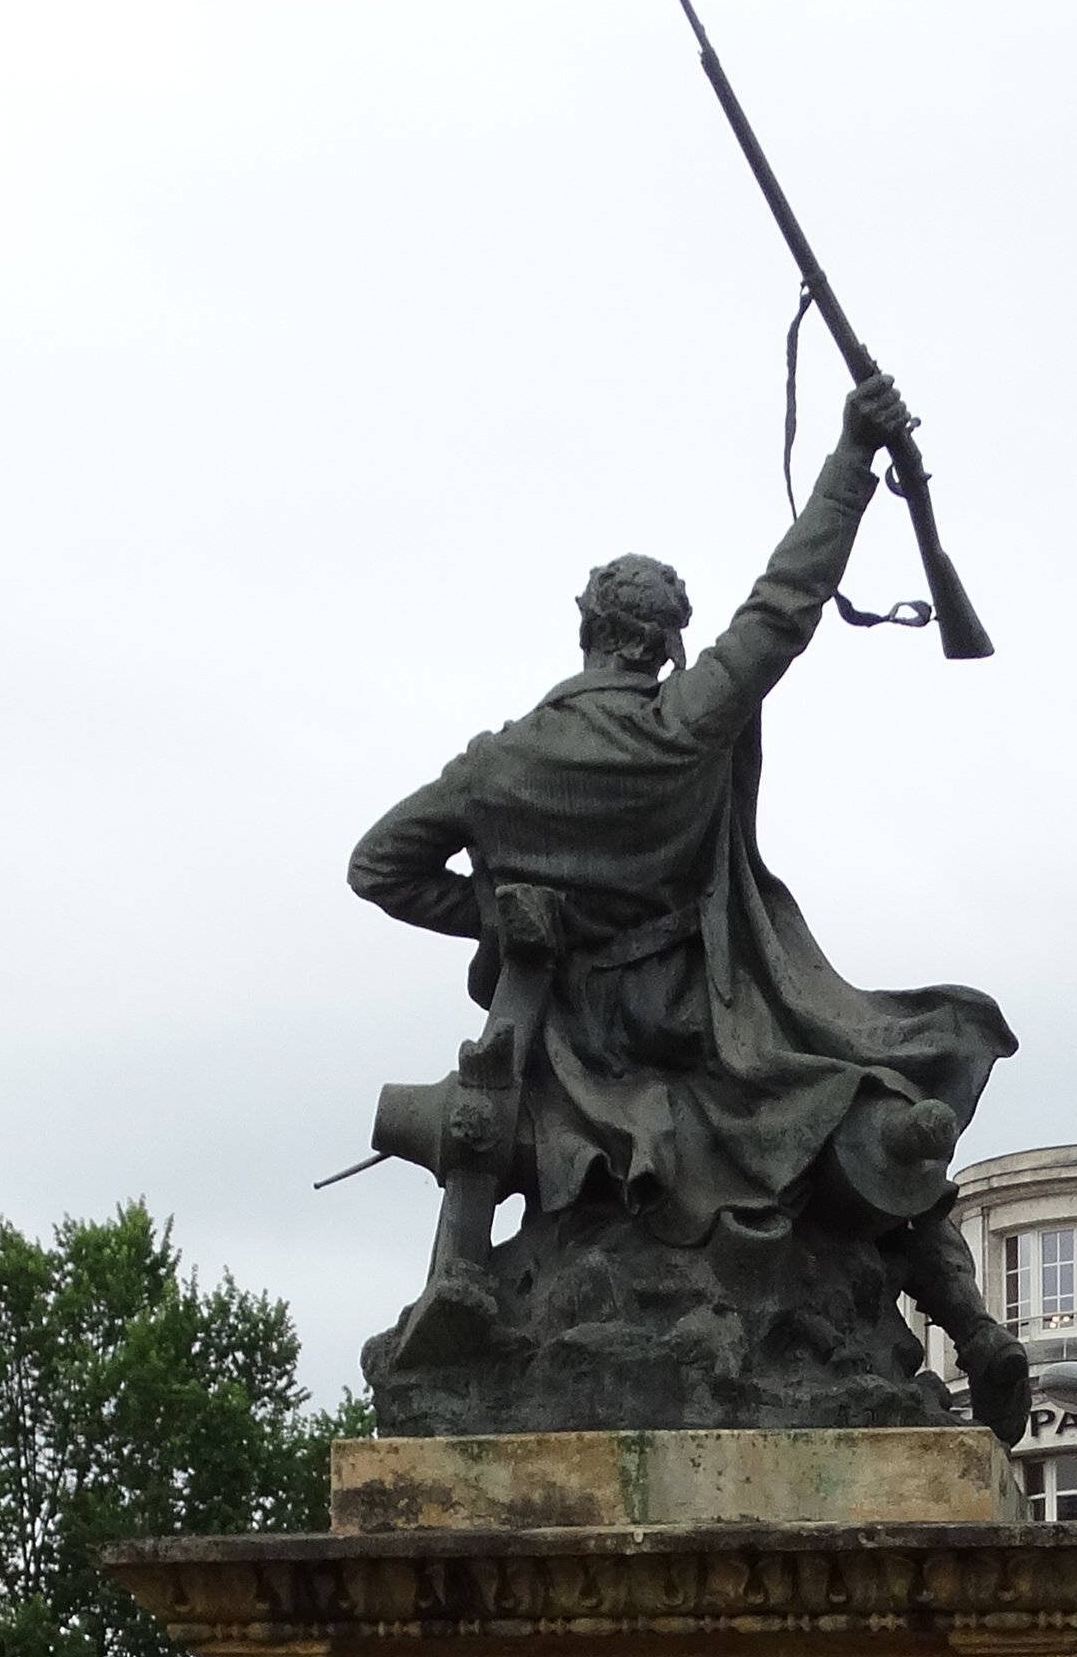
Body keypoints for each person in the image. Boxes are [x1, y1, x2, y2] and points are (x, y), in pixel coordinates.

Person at [347, 376, 1030, 1440]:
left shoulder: (498, 766)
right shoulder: (684, 726)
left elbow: (378, 867)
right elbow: (785, 604)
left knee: (857, 1107)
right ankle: (972, 1325)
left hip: (580, 1048)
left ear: (585, 632)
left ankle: (979, 1339)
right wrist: (852, 462)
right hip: (712, 1026)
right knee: (874, 1103)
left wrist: (505, 915)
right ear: (666, 645)